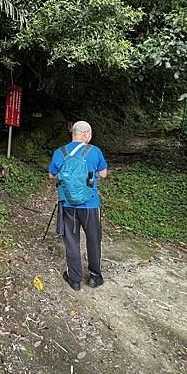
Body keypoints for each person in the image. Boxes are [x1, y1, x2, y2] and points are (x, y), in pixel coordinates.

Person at [48, 121, 108, 291]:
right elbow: (103, 174)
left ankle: (75, 279)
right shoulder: (94, 151)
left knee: (72, 240)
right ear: (86, 133)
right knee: (93, 238)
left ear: (73, 133)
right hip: (90, 204)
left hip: (67, 204)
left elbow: (52, 175)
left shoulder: (59, 152)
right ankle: (95, 277)